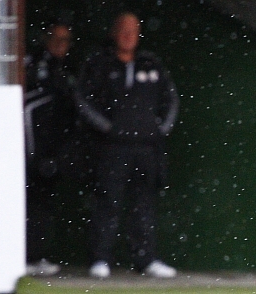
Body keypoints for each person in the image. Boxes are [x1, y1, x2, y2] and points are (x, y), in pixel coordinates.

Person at [76, 12, 179, 279]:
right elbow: (83, 100)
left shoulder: (151, 63)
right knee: (107, 202)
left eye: (133, 30)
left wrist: (158, 130)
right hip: (112, 148)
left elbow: (171, 99)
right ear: (113, 33)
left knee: (144, 205)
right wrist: (109, 128)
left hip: (147, 148)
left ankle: (145, 260)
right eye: (123, 30)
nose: (128, 35)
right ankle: (100, 259)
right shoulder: (99, 64)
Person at [23, 23, 77, 277]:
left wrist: (58, 155)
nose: (59, 44)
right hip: (30, 149)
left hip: (53, 150)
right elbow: (26, 106)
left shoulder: (69, 70)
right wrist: (32, 154)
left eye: (65, 40)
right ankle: (21, 256)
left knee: (43, 203)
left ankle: (36, 255)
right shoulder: (31, 63)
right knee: (26, 201)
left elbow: (70, 114)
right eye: (55, 38)